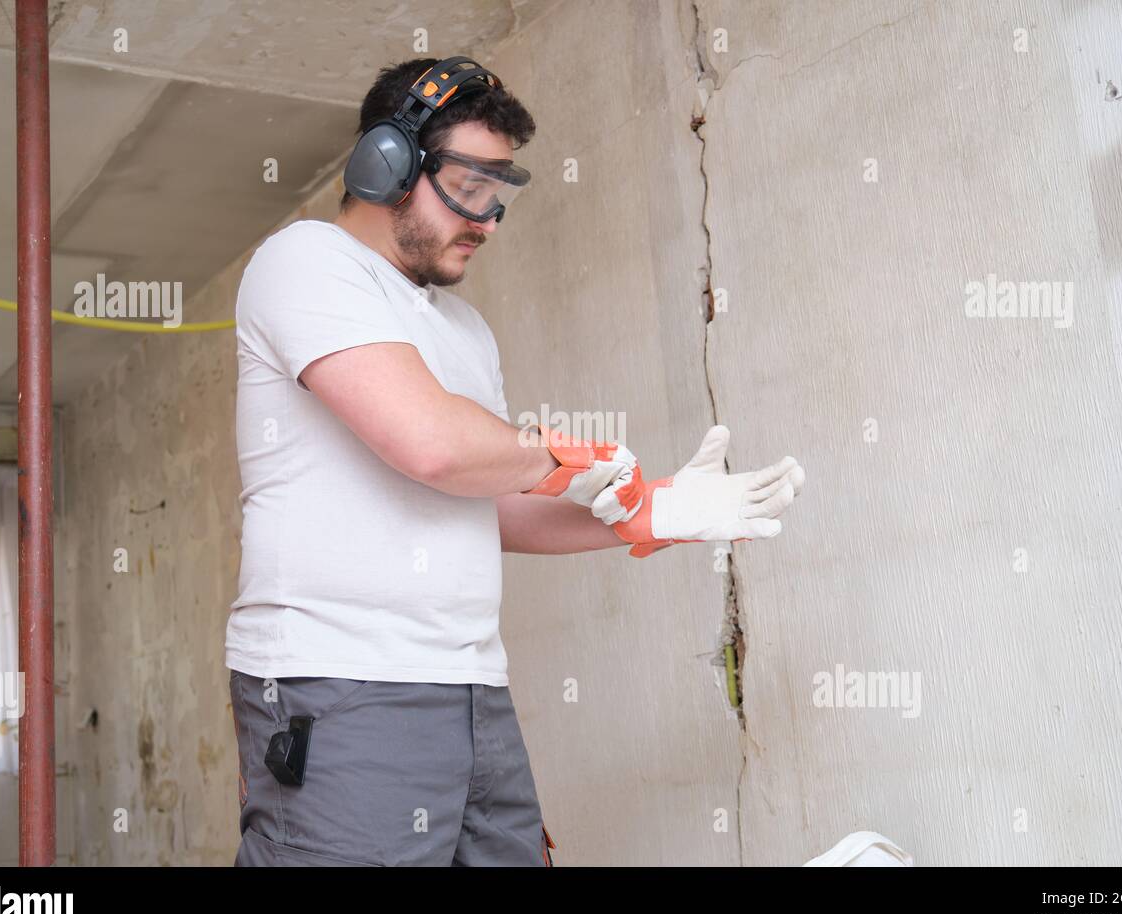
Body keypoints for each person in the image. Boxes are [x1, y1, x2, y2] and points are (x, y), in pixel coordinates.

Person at [225, 56, 805, 866]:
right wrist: (567, 456)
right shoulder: (306, 263)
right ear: (384, 164)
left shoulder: (464, 331)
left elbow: (488, 498)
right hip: (339, 686)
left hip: (471, 694)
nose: (489, 218)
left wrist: (657, 510)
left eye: (502, 190)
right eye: (469, 184)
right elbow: (431, 443)